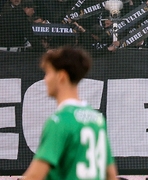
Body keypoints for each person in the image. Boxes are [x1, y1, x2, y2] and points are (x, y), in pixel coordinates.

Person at [21, 47, 119, 180]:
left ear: (61, 76)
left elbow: (34, 176)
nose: (45, 79)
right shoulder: (97, 120)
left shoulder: (59, 121)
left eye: (48, 73)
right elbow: (111, 175)